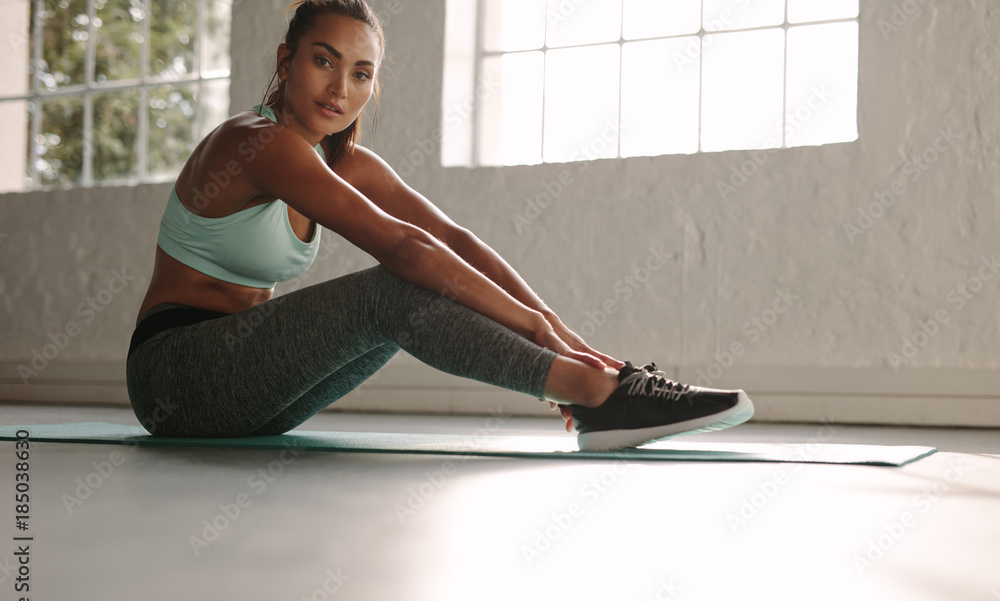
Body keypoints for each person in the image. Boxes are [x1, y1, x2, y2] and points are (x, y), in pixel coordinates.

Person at [126, 0, 754, 451]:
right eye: (324, 61)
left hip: (249, 391)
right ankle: (592, 394)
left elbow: (455, 242)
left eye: (361, 73)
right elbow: (404, 247)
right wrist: (537, 331)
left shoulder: (345, 162)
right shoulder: (257, 143)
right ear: (286, 61)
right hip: (176, 377)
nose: (340, 88)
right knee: (395, 284)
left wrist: (561, 331)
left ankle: (596, 383)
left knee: (428, 276)